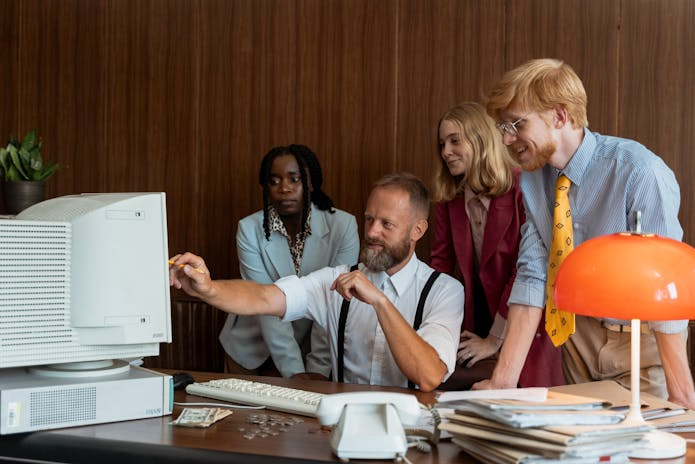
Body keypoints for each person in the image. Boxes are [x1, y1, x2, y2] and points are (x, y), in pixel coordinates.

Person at [474, 58, 695, 410]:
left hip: (636, 341)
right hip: (577, 337)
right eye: (503, 126)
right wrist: (502, 383)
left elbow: (664, 283)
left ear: (559, 116)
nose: (505, 138)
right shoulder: (533, 178)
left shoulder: (639, 172)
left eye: (516, 124)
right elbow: (534, 271)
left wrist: (682, 394)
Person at [172, 172, 464, 392]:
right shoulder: (337, 278)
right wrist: (209, 289)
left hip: (411, 434)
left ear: (418, 230)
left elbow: (428, 375)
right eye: (369, 219)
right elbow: (265, 297)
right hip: (340, 428)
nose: (372, 233)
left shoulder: (444, 291)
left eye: (387, 224)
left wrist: (379, 301)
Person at [431, 101, 562, 389]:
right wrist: (431, 328)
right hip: (475, 322)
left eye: (455, 141)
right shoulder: (449, 198)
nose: (446, 152)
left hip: (525, 322)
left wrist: (495, 339)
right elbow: (440, 267)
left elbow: (525, 270)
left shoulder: (522, 187)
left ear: (480, 140)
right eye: (442, 144)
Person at [219, 144, 359, 380]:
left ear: (311, 183)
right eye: (274, 181)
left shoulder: (343, 227)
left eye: (294, 179)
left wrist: (316, 372)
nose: (284, 188)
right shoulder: (249, 229)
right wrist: (296, 374)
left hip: (315, 348)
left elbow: (333, 301)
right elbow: (264, 304)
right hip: (252, 350)